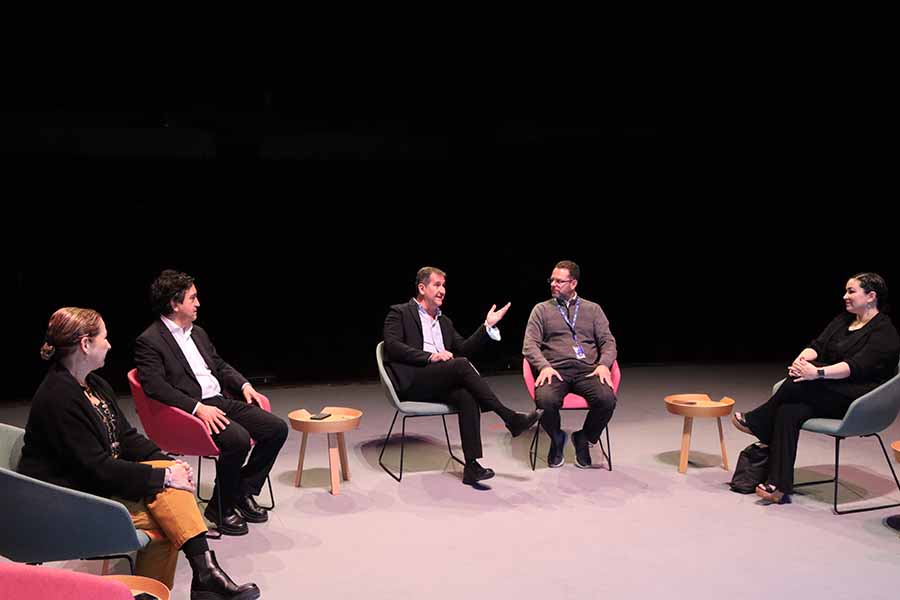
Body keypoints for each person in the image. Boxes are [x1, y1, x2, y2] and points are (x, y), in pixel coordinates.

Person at [18, 307, 259, 599]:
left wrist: (168, 463)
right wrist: (164, 476)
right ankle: (200, 576)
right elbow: (97, 469)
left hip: (95, 484)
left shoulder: (94, 384)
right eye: (104, 338)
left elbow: (127, 438)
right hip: (66, 501)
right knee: (169, 518)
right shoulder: (57, 397)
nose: (109, 344)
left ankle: (191, 579)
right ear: (85, 344)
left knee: (171, 502)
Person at [135, 270, 288, 535]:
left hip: (219, 401)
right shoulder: (149, 341)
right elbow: (155, 387)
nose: (198, 303)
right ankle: (220, 508)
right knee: (237, 439)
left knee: (276, 429)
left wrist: (244, 384)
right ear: (174, 303)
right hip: (190, 411)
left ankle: (242, 490)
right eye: (192, 298)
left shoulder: (198, 333)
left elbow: (217, 364)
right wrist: (197, 408)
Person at [733, 272, 900, 504]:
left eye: (851, 291)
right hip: (829, 391)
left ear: (871, 296)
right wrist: (802, 362)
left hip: (860, 399)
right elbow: (817, 347)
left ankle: (758, 421)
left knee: (797, 384)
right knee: (788, 411)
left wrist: (816, 373)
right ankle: (778, 486)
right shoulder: (843, 320)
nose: (845, 296)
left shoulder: (884, 332)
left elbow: (855, 367)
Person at [383, 266, 540, 487]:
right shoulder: (399, 313)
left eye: (444, 286)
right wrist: (430, 357)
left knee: (467, 395)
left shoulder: (444, 321)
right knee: (462, 365)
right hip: (413, 381)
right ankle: (508, 417)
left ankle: (472, 466)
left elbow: (464, 348)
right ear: (422, 287)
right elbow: (393, 347)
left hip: (438, 381)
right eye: (437, 285)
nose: (442, 290)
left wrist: (487, 326)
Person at [523, 260, 618, 468]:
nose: (553, 284)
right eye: (552, 280)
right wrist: (544, 366)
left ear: (573, 283)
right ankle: (557, 438)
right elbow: (529, 346)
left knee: (607, 400)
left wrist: (603, 364)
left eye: (559, 281)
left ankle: (584, 438)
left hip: (588, 370)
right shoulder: (541, 310)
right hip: (555, 370)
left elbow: (608, 342)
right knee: (545, 400)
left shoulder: (593, 310)